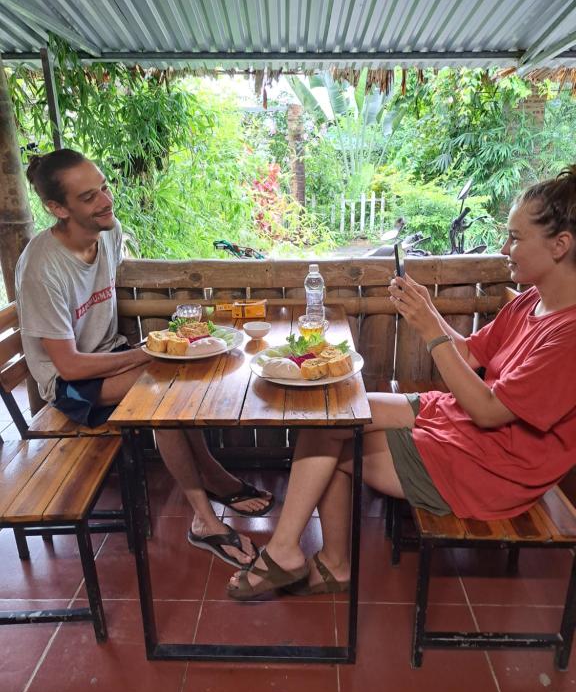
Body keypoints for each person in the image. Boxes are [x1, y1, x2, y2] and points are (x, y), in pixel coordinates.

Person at [228, 166, 576, 599]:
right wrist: (428, 310)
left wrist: (431, 329)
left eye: (516, 238)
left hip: (494, 470)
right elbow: (470, 353)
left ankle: (291, 554)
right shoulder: (530, 303)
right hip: (463, 425)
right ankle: (320, 560)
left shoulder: (569, 337)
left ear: (561, 245)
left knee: (332, 436)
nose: (506, 248)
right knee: (333, 410)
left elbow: (488, 411)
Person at [15, 149, 274, 570]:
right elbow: (70, 368)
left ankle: (212, 477)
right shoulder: (42, 268)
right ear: (56, 208)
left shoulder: (108, 230)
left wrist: (146, 351)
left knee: (178, 370)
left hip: (110, 354)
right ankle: (205, 521)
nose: (105, 201)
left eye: (104, 187)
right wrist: (143, 354)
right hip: (68, 384)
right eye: (88, 197)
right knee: (161, 393)